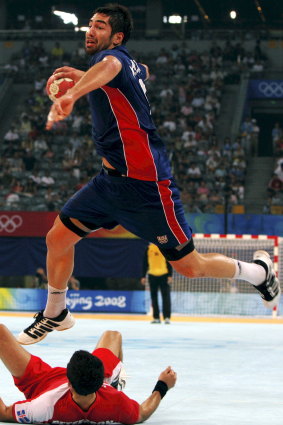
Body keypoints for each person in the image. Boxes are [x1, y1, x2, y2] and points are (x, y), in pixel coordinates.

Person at [18, 4, 280, 345]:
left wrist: (73, 93)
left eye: (99, 26)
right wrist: (83, 78)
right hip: (109, 183)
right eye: (90, 25)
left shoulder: (109, 60)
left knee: (191, 266)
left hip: (147, 187)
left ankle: (258, 273)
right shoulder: (125, 65)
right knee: (58, 237)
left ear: (117, 37)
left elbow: (112, 66)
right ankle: (56, 312)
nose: (90, 30)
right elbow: (143, 70)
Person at [0, 324, 176, 423]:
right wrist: (163, 385)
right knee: (112, 334)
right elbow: (143, 413)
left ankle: (116, 380)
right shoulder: (117, 403)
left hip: (42, 382)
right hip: (100, 382)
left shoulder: (43, 406)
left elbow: (4, 413)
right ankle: (116, 381)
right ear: (101, 382)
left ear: (68, 382)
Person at [141, 243, 172, 324]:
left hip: (164, 275)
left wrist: (170, 275)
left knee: (166, 297)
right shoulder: (148, 248)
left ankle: (167, 317)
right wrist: (143, 276)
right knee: (154, 297)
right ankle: (156, 317)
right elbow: (145, 263)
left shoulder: (164, 247)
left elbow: (169, 261)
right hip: (152, 275)